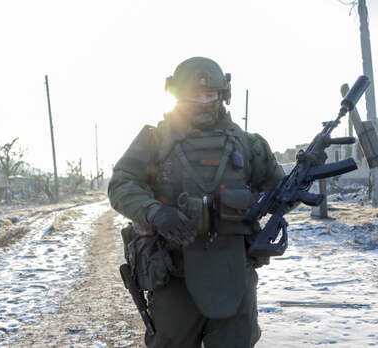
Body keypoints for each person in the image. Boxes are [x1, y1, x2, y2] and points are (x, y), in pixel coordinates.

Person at [109, 57, 326, 348]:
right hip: (174, 272)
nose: (203, 101)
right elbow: (121, 183)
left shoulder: (248, 144)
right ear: (178, 95)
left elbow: (279, 198)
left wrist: (302, 178)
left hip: (233, 273)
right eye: (194, 95)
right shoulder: (154, 140)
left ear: (223, 95)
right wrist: (154, 211)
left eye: (210, 94)